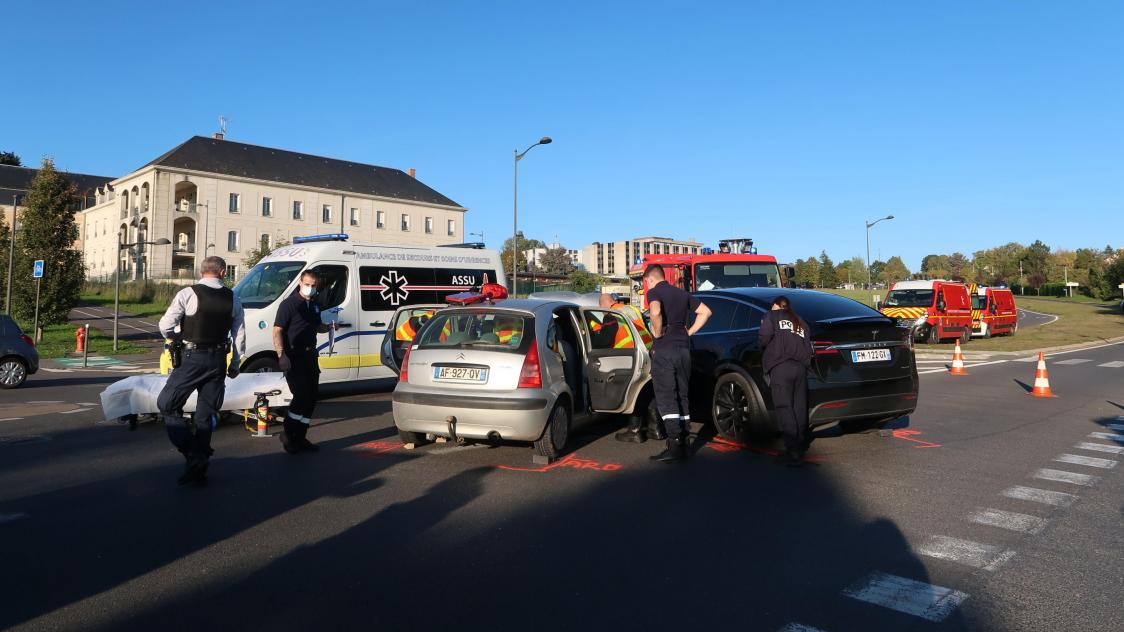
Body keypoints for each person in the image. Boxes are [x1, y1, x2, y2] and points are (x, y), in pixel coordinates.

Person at [157, 256, 245, 486]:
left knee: (167, 404)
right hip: (217, 360)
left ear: (201, 271)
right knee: (205, 414)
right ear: (223, 272)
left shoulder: (188, 293)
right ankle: (198, 465)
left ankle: (192, 452)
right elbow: (239, 333)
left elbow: (165, 325)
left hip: (191, 358)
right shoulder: (233, 297)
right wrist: (235, 362)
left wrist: (176, 337)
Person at [644, 264, 712, 462]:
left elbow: (655, 312)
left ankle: (673, 445)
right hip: (683, 349)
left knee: (666, 396)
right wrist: (688, 332)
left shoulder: (655, 292)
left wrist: (657, 332)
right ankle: (684, 443)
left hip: (665, 350)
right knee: (682, 395)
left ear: (650, 279)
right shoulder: (681, 293)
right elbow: (706, 312)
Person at [273, 269, 334, 454]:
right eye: (307, 284)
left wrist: (330, 327)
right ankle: (288, 434)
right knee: (300, 397)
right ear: (300, 283)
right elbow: (277, 330)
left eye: (313, 286)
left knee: (312, 397)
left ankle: (300, 436)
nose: (310, 288)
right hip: (294, 357)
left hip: (310, 356)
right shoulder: (289, 304)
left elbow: (316, 326)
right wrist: (281, 356)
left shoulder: (314, 305)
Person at [759, 295, 814, 467]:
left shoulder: (771, 316)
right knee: (799, 406)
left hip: (780, 366)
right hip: (800, 367)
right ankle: (800, 442)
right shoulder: (800, 321)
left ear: (775, 305)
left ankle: (792, 450)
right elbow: (807, 345)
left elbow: (764, 338)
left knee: (784, 406)